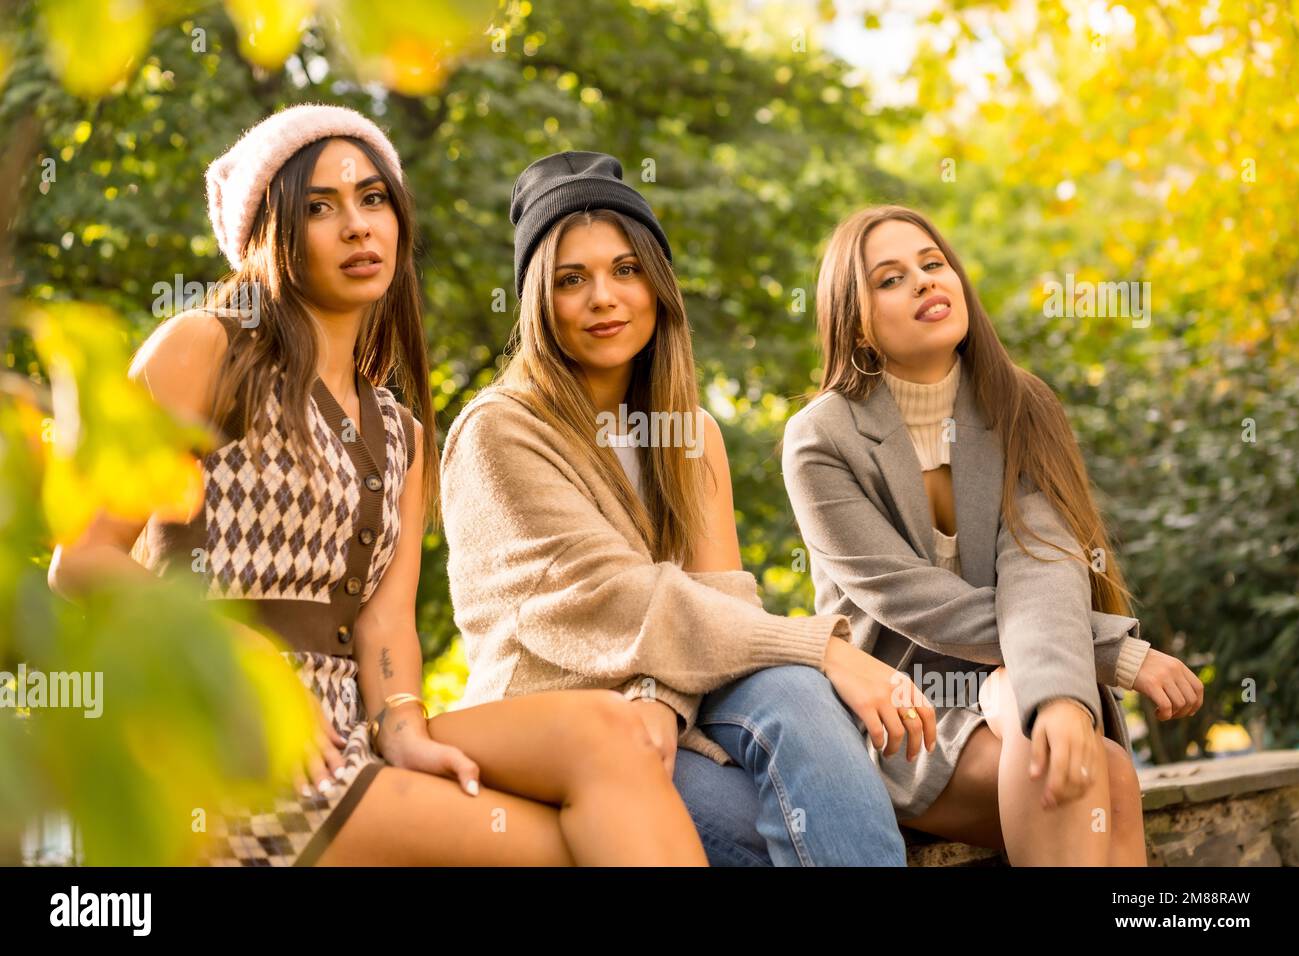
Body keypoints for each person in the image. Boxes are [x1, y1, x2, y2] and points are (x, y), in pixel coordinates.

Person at [48, 106, 706, 866]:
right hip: (215, 733)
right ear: (273, 234)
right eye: (320, 207)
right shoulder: (203, 348)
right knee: (566, 848)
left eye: (373, 199)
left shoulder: (401, 432)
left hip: (347, 733)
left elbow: (384, 627)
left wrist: (405, 727)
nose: (358, 226)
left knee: (616, 731)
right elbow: (82, 560)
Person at [440, 151, 923, 866]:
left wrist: (665, 700)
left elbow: (717, 599)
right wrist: (824, 646)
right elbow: (613, 600)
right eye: (573, 280)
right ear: (540, 301)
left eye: (625, 270)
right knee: (764, 825)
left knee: (795, 693)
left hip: (672, 708)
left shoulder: (689, 434)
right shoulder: (500, 430)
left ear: (658, 286)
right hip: (556, 718)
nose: (605, 297)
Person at [782, 204, 1204, 865]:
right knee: (1092, 773)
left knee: (1107, 773)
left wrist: (1052, 689)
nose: (924, 282)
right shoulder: (822, 437)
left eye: (933, 263)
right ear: (855, 324)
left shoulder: (1018, 403)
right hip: (904, 703)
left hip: (1024, 675)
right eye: (890, 279)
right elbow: (917, 602)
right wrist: (1109, 656)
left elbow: (1040, 562)